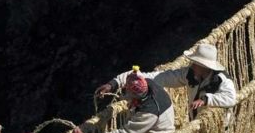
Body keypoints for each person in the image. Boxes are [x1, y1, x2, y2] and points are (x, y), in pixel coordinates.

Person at [95, 43, 237, 122]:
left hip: (219, 127)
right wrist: (114, 83)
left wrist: (206, 99)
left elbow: (231, 98)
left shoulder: (221, 81)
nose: (192, 65)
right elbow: (154, 77)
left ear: (205, 66)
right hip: (196, 123)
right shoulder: (189, 75)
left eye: (196, 63)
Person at [83, 67, 175, 133]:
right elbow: (132, 75)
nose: (125, 92)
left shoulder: (149, 112)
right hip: (149, 131)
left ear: (135, 96)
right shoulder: (148, 82)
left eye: (127, 91)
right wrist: (112, 84)